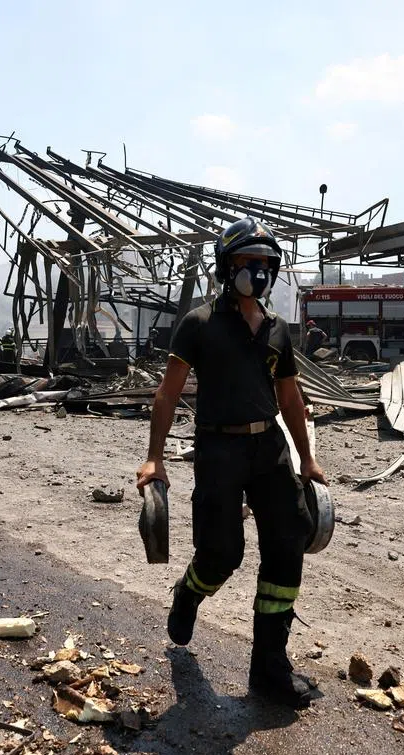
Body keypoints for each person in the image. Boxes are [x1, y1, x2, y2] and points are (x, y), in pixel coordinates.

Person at [135, 217, 327, 708]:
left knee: (287, 547)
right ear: (228, 267)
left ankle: (269, 669)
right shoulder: (198, 325)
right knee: (222, 555)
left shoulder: (280, 331)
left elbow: (291, 398)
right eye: (248, 263)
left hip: (270, 449)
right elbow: (167, 393)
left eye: (265, 265)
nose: (258, 273)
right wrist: (154, 459)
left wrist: (307, 458)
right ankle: (189, 593)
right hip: (218, 450)